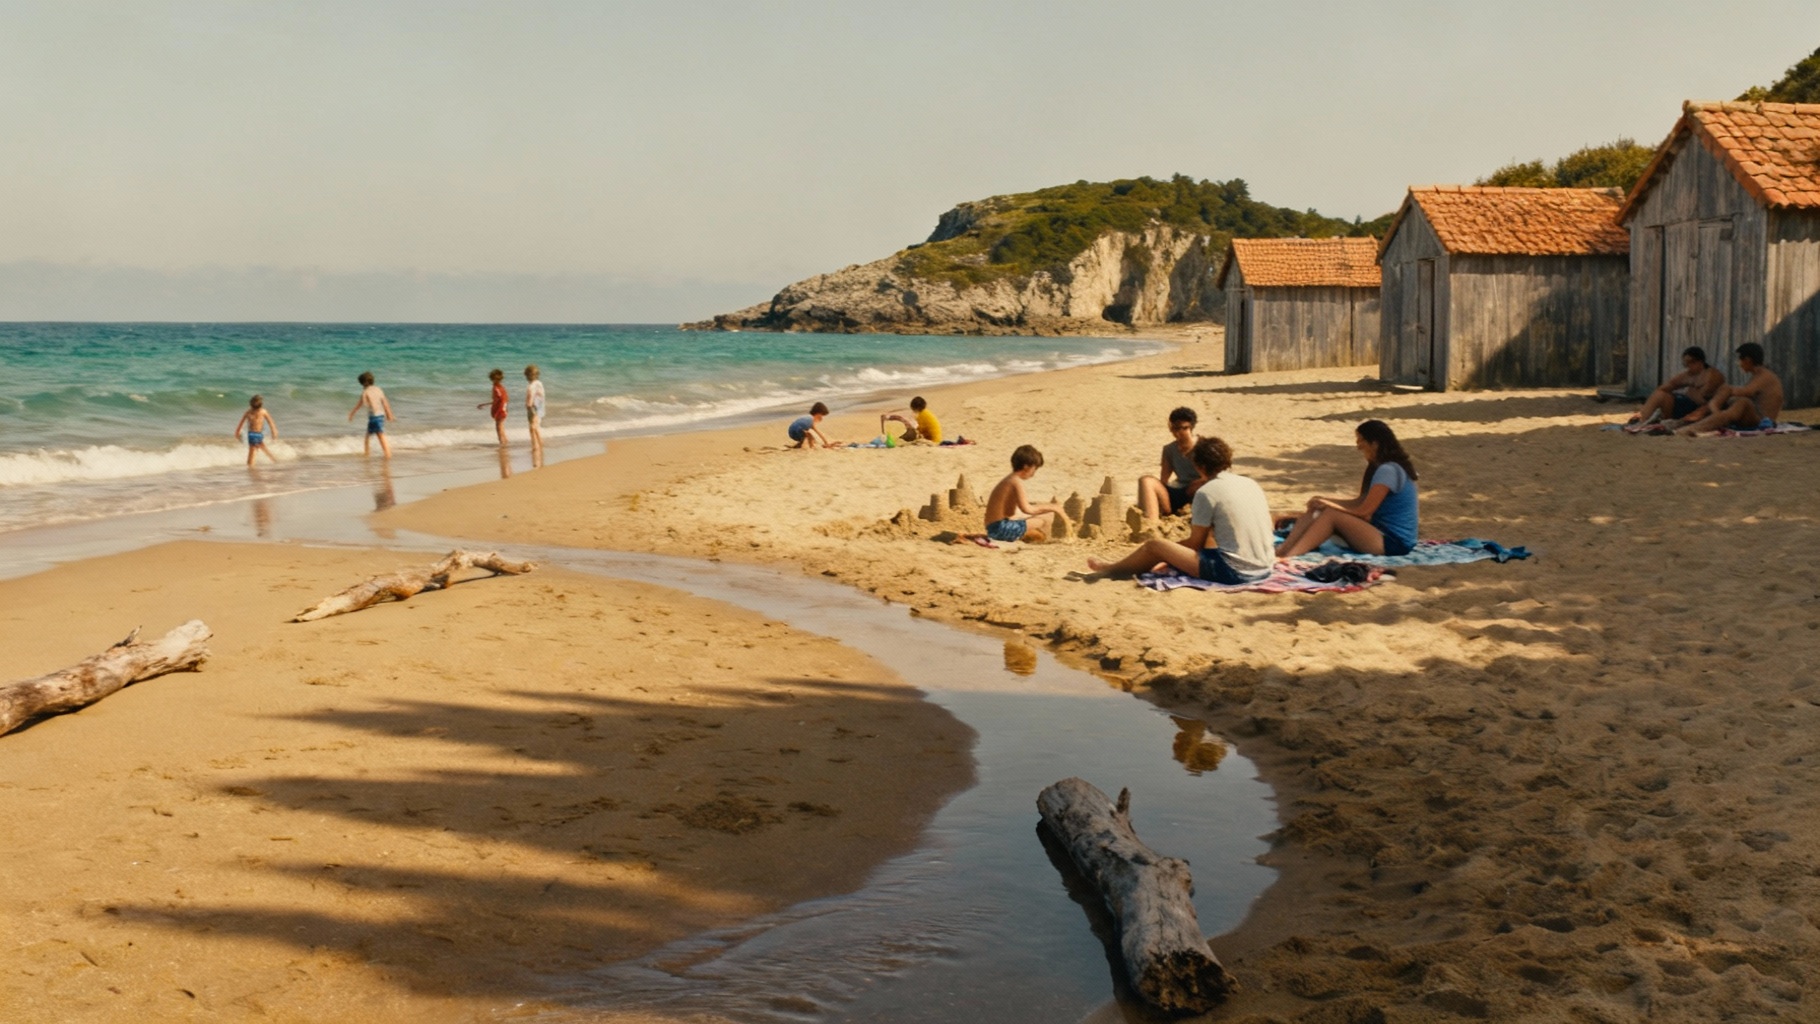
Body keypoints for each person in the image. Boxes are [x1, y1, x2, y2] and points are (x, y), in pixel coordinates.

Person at [1086, 436, 1275, 583]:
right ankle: (1118, 566)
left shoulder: (1207, 492)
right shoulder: (1250, 483)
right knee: (1206, 538)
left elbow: (1195, 544)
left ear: (1199, 466)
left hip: (1235, 572)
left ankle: (1111, 569)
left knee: (1155, 546)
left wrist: (1170, 552)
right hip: (1265, 567)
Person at [1276, 420, 1418, 558]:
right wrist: (1324, 501)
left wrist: (1330, 506)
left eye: (1360, 440)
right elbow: (1360, 502)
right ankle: (1284, 549)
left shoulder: (1388, 470)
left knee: (1330, 515)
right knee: (1318, 508)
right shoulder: (1379, 467)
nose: (1358, 446)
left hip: (1394, 542)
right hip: (1380, 532)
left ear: (1374, 444)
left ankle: (1291, 554)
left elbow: (1364, 512)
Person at [1676, 343, 1784, 436]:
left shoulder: (1764, 376)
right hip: (1755, 416)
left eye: (1740, 360)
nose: (1739, 364)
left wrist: (1721, 396)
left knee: (1741, 402)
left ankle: (1693, 427)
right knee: (1728, 400)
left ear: (1748, 360)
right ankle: (1679, 423)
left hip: (1762, 420)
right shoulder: (1758, 375)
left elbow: (1745, 392)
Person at [984, 445, 1065, 543]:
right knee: (1047, 518)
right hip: (1000, 530)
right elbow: (1028, 509)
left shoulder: (1008, 480)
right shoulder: (1015, 482)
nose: (1034, 473)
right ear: (1026, 467)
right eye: (1034, 469)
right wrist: (1053, 508)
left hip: (992, 529)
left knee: (1037, 517)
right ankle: (1045, 543)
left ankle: (1031, 538)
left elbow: (1009, 513)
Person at [1136, 406, 1206, 519]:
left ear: (1191, 427)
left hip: (1200, 490)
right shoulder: (1169, 449)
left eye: (1183, 428)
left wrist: (1197, 482)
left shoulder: (1204, 445)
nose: (1179, 432)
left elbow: (1214, 476)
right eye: (1175, 428)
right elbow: (1164, 479)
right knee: (1146, 481)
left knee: (1201, 485)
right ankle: (1151, 524)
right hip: (1179, 491)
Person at [1630, 347, 1725, 426]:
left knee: (1665, 395)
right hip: (1686, 404)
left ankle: (1645, 421)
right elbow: (1664, 388)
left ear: (1700, 362)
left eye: (1690, 363)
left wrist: (1691, 390)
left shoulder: (1713, 375)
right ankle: (1643, 419)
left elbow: (1705, 399)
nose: (1687, 366)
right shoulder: (1688, 375)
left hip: (1702, 409)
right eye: (1685, 364)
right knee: (1661, 394)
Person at [347, 371, 395, 459]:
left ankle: (385, 454)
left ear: (363, 383)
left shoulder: (365, 392)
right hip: (381, 415)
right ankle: (371, 453)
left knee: (377, 435)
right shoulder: (379, 389)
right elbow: (385, 403)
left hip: (374, 417)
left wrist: (351, 413)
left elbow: (360, 404)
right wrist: (389, 414)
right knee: (373, 435)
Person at [235, 395, 278, 466]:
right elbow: (271, 423)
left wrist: (237, 432)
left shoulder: (251, 412)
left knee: (256, 450)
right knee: (257, 449)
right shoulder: (262, 411)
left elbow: (271, 422)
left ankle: (251, 467)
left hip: (254, 434)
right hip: (255, 434)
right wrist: (274, 432)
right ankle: (274, 460)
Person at [478, 368, 509, 445]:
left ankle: (502, 442)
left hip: (500, 409)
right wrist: (485, 404)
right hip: (503, 408)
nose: (494, 381)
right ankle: (505, 441)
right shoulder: (501, 388)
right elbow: (502, 399)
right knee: (501, 426)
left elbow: (499, 398)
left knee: (498, 427)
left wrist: (497, 410)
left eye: (495, 380)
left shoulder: (496, 388)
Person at [524, 365, 546, 465]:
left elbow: (531, 396)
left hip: (534, 407)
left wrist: (528, 405)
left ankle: (537, 444)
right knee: (534, 426)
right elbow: (541, 395)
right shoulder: (539, 383)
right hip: (539, 406)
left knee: (533, 426)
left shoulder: (532, 385)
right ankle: (537, 443)